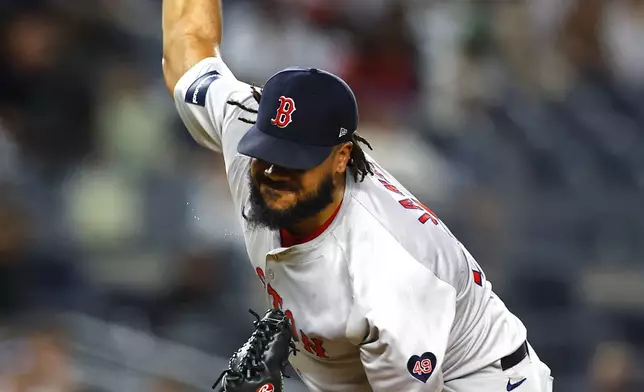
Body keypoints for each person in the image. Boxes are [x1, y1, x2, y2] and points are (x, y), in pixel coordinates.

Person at [161, 0, 554, 390]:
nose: (274, 172)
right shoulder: (243, 123)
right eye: (267, 153)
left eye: (294, 161)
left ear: (341, 157)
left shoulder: (389, 271)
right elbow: (188, 48)